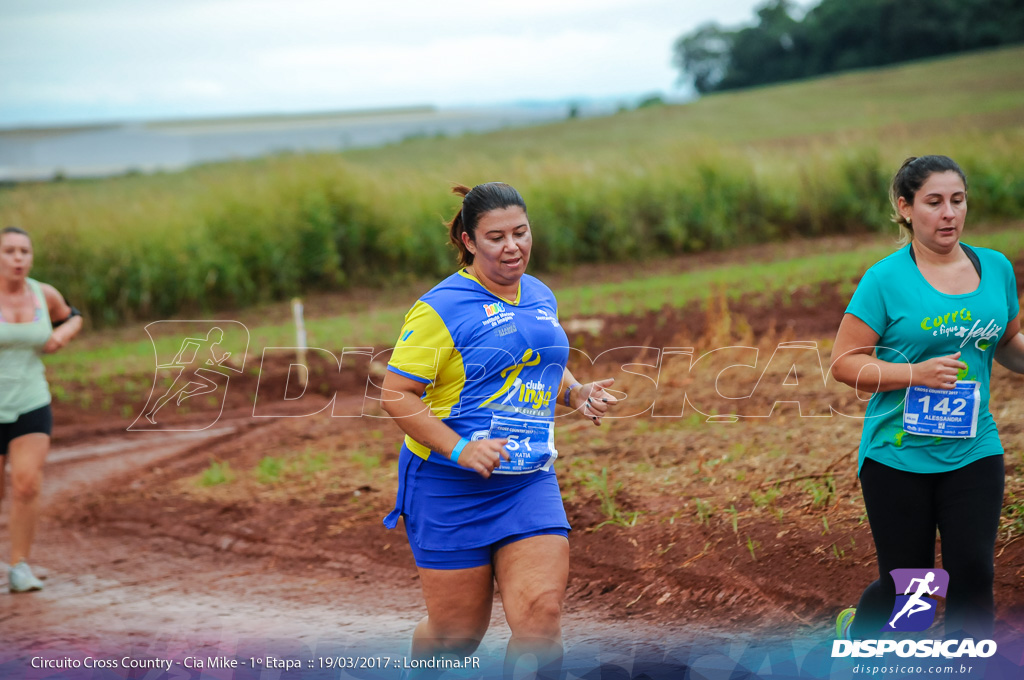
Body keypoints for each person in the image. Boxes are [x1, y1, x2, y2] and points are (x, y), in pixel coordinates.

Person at [381, 182, 619, 676]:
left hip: (527, 477)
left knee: (542, 616)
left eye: (521, 233)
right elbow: (395, 394)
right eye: (496, 237)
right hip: (449, 484)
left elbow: (539, 358)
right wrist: (460, 448)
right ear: (468, 241)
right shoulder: (438, 309)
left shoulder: (538, 293)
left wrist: (576, 392)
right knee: (456, 638)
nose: (513, 247)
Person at [830, 156, 1024, 640]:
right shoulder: (884, 279)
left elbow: (1009, 345)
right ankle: (861, 633)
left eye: (957, 201)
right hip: (897, 454)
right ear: (905, 207)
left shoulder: (996, 268)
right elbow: (845, 364)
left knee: (974, 574)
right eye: (934, 202)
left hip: (974, 448)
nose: (949, 214)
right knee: (909, 589)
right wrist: (914, 374)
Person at [0, 226, 83, 592]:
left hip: (31, 400)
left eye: (24, 251)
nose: (18, 258)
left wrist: (61, 336)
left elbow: (73, 315)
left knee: (27, 484)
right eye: (9, 251)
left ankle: (20, 566)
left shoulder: (43, 293)